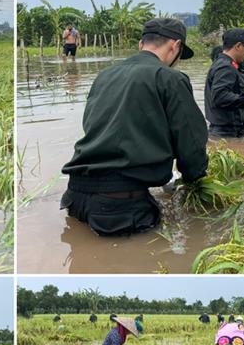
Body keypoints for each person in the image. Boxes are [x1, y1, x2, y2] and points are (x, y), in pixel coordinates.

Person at [60, 17, 208, 236]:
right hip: (119, 207)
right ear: (175, 46)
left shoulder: (105, 75)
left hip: (75, 197)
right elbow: (191, 140)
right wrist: (193, 177)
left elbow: (94, 127)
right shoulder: (169, 78)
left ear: (141, 45)